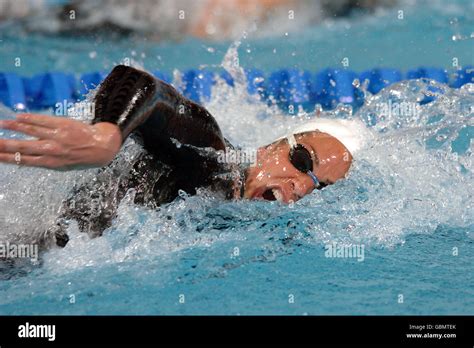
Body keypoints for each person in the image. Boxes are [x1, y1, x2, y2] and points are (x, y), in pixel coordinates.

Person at [0, 65, 357, 248]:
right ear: (269, 148)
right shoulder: (211, 158)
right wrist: (106, 135)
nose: (301, 186)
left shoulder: (241, 226)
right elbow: (143, 86)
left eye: (319, 188)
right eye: (303, 160)